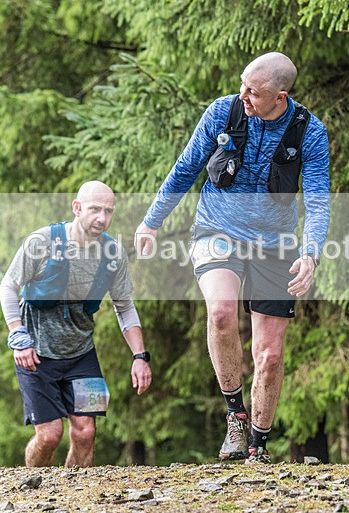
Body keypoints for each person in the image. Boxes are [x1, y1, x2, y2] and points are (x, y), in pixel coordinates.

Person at [134, 52, 330, 463]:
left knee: (270, 354)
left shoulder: (308, 131)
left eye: (253, 91)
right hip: (216, 232)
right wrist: (150, 222)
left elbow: (317, 200)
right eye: (242, 84)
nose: (242, 94)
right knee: (222, 312)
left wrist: (310, 253)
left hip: (276, 244)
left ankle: (258, 442)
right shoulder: (223, 112)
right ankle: (235, 416)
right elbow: (186, 168)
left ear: (281, 95)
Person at [0, 181, 152, 467]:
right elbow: (8, 286)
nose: (102, 218)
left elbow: (125, 306)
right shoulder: (42, 242)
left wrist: (140, 356)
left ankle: (75, 497)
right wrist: (18, 335)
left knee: (86, 432)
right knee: (49, 436)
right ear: (77, 207)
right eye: (95, 209)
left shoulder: (113, 254)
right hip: (36, 355)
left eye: (108, 211)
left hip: (81, 356)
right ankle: (37, 489)